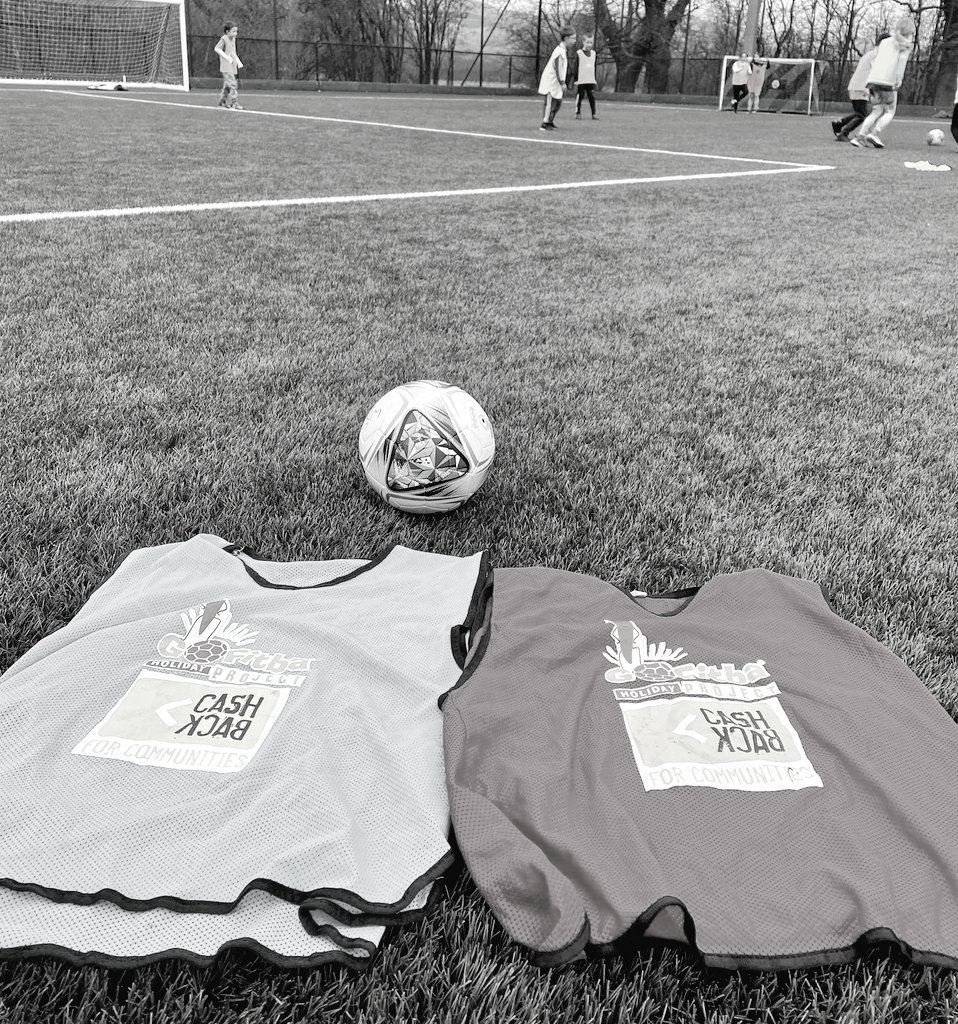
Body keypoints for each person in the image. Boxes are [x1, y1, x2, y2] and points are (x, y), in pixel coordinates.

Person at [849, 16, 915, 148]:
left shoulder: (885, 42)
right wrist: (899, 79)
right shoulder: (905, 45)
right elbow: (900, 63)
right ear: (909, 33)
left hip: (873, 80)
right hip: (887, 81)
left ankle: (860, 137)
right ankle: (874, 133)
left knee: (876, 110)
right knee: (890, 111)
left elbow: (877, 59)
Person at [832, 33, 889, 141]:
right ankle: (843, 133)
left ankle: (839, 123)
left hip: (855, 85)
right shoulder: (877, 55)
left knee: (859, 113)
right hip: (861, 87)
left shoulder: (870, 53)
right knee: (861, 115)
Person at [538, 26, 576, 131]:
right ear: (566, 38)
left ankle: (550, 121)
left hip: (556, 82)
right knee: (550, 102)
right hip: (552, 82)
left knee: (558, 102)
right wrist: (562, 82)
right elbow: (558, 67)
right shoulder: (559, 51)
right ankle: (545, 123)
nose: (574, 41)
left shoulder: (563, 50)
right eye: (573, 38)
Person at [214, 24, 244, 110]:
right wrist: (227, 58)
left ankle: (222, 102)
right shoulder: (224, 39)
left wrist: (238, 62)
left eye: (236, 31)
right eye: (233, 31)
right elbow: (217, 48)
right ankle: (234, 103)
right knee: (233, 84)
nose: (235, 34)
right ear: (227, 32)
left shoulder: (233, 40)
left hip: (232, 66)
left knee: (227, 85)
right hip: (226, 66)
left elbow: (233, 52)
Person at [572, 35, 599, 120]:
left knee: (592, 97)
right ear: (583, 42)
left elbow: (594, 67)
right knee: (580, 96)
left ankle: (594, 114)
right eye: (587, 42)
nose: (589, 44)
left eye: (591, 42)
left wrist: (594, 79)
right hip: (581, 80)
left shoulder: (594, 54)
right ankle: (578, 113)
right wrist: (576, 79)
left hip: (590, 80)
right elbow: (575, 67)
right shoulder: (579, 53)